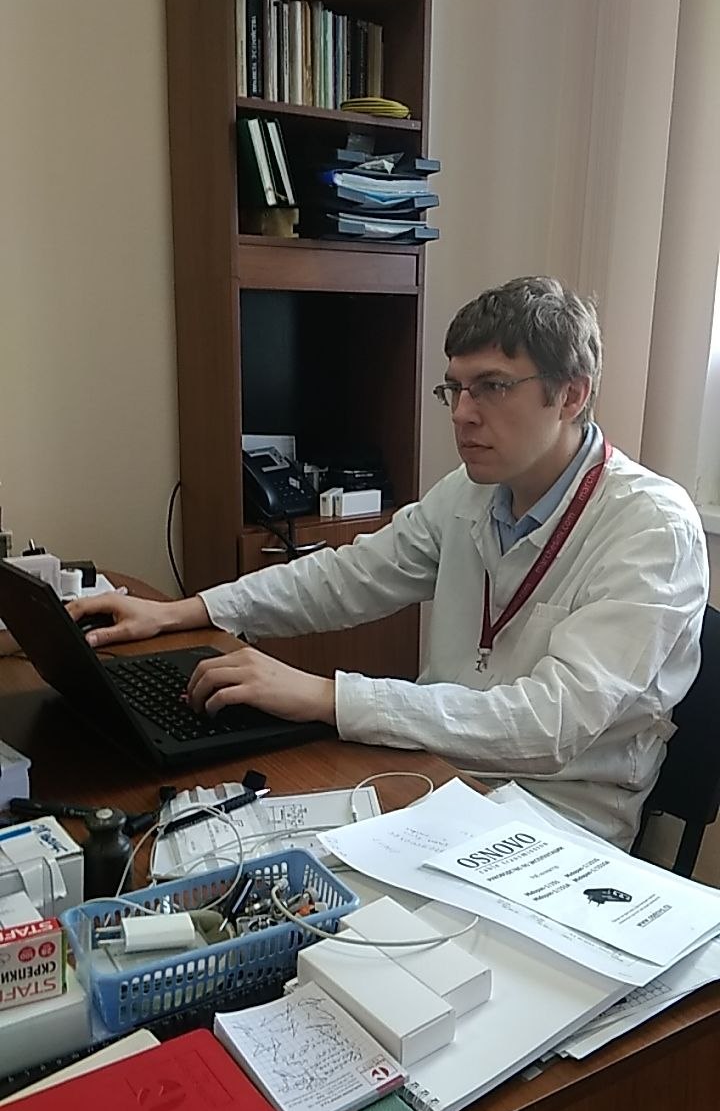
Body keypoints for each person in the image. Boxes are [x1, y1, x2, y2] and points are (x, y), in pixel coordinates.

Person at [68, 277, 709, 849]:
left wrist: (328, 696)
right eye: (454, 388)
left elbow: (550, 725)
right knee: (228, 843)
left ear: (570, 395)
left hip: (556, 823)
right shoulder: (474, 492)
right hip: (433, 775)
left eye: (492, 386)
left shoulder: (651, 526)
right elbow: (348, 577)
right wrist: (186, 611)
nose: (463, 414)